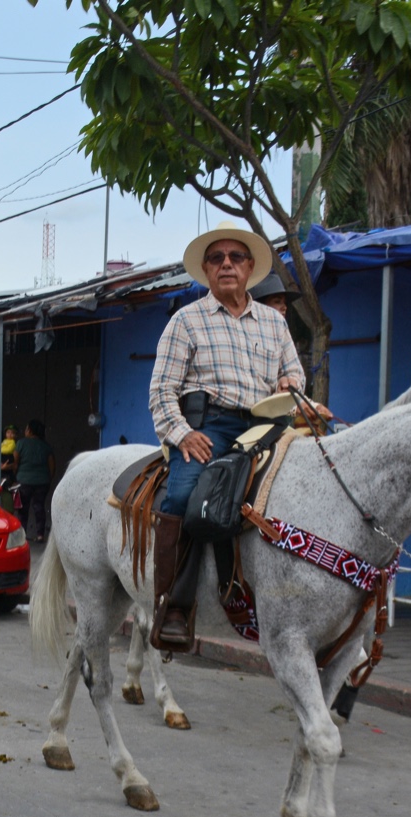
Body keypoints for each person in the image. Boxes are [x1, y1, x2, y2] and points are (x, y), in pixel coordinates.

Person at [147, 220, 321, 649]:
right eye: (217, 258)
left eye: (235, 257)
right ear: (207, 270)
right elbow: (162, 390)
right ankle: (174, 606)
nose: (226, 264)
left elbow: (294, 373)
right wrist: (183, 434)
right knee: (182, 497)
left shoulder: (274, 323)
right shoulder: (186, 321)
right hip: (211, 426)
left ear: (249, 268)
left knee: (313, 483)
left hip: (267, 424)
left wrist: (289, 384)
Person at [13, 419, 55, 542]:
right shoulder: (46, 446)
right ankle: (40, 534)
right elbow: (52, 465)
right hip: (42, 482)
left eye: (26, 428)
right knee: (39, 507)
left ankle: (22, 535)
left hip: (23, 481)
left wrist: (14, 478)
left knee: (23, 509)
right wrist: (48, 479)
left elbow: (15, 462)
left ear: (30, 430)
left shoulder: (21, 443)